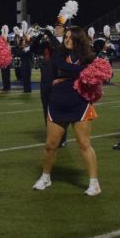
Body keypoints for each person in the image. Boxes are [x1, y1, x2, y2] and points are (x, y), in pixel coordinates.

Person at [30, 26, 102, 196]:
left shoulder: (88, 56)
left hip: (79, 103)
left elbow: (97, 73)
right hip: (58, 102)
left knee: (84, 144)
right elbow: (61, 65)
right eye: (66, 37)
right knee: (50, 145)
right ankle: (45, 177)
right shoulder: (59, 55)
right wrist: (83, 71)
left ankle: (94, 183)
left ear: (79, 39)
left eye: (70, 37)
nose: (67, 40)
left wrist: (80, 71)